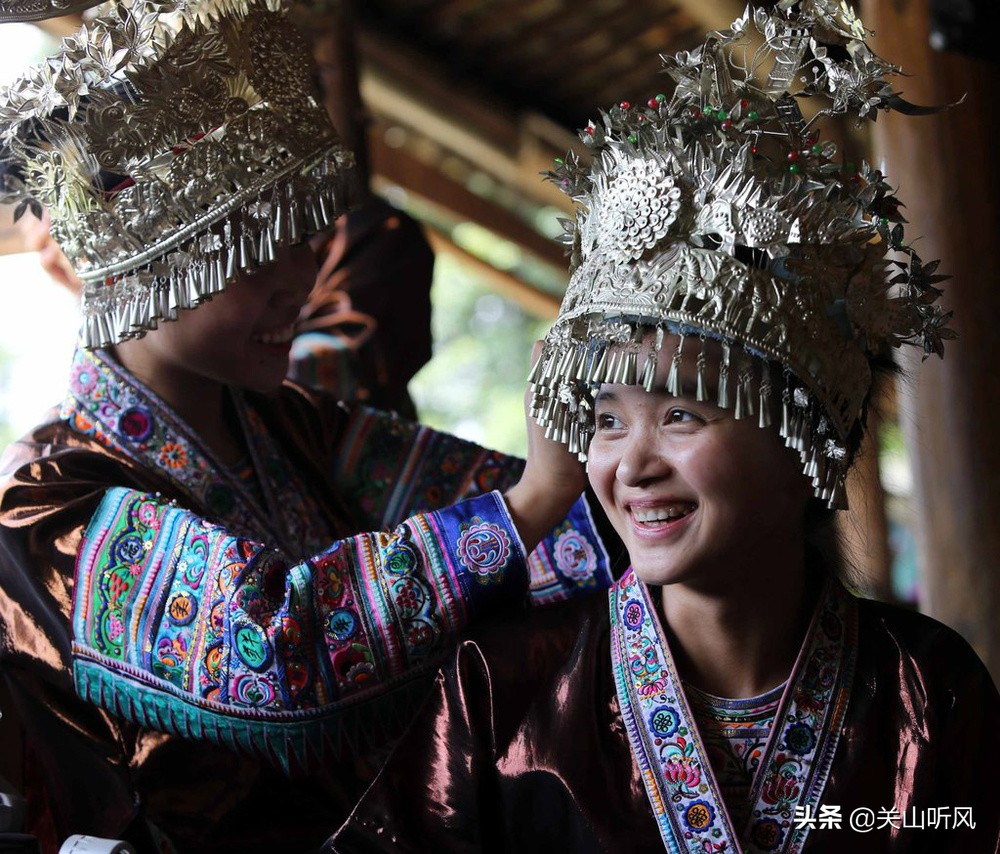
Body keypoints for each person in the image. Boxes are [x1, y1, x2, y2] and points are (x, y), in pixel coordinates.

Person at [329, 4, 1000, 853]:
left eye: (682, 413)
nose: (631, 466)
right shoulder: (501, 693)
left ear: (806, 440)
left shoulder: (927, 689)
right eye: (606, 421)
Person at [0, 0, 616, 850]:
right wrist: (529, 506)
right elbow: (278, 653)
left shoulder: (287, 424)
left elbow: (486, 504)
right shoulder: (48, 509)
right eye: (258, 251)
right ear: (153, 267)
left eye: (309, 237)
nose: (308, 279)